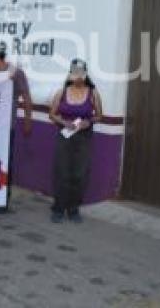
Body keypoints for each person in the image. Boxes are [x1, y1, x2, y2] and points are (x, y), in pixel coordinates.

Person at [48, 58, 102, 223]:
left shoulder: (93, 93)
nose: (78, 77)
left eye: (81, 73)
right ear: (70, 74)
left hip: (83, 137)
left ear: (85, 74)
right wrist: (64, 122)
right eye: (75, 73)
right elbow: (52, 114)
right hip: (65, 135)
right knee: (62, 172)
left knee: (79, 173)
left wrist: (88, 122)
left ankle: (73, 209)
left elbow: (99, 116)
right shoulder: (62, 92)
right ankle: (58, 208)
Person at [0, 41, 32, 213]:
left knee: (6, 163)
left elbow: (26, 97)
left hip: (6, 128)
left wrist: (28, 121)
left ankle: (3, 200)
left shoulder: (16, 74)